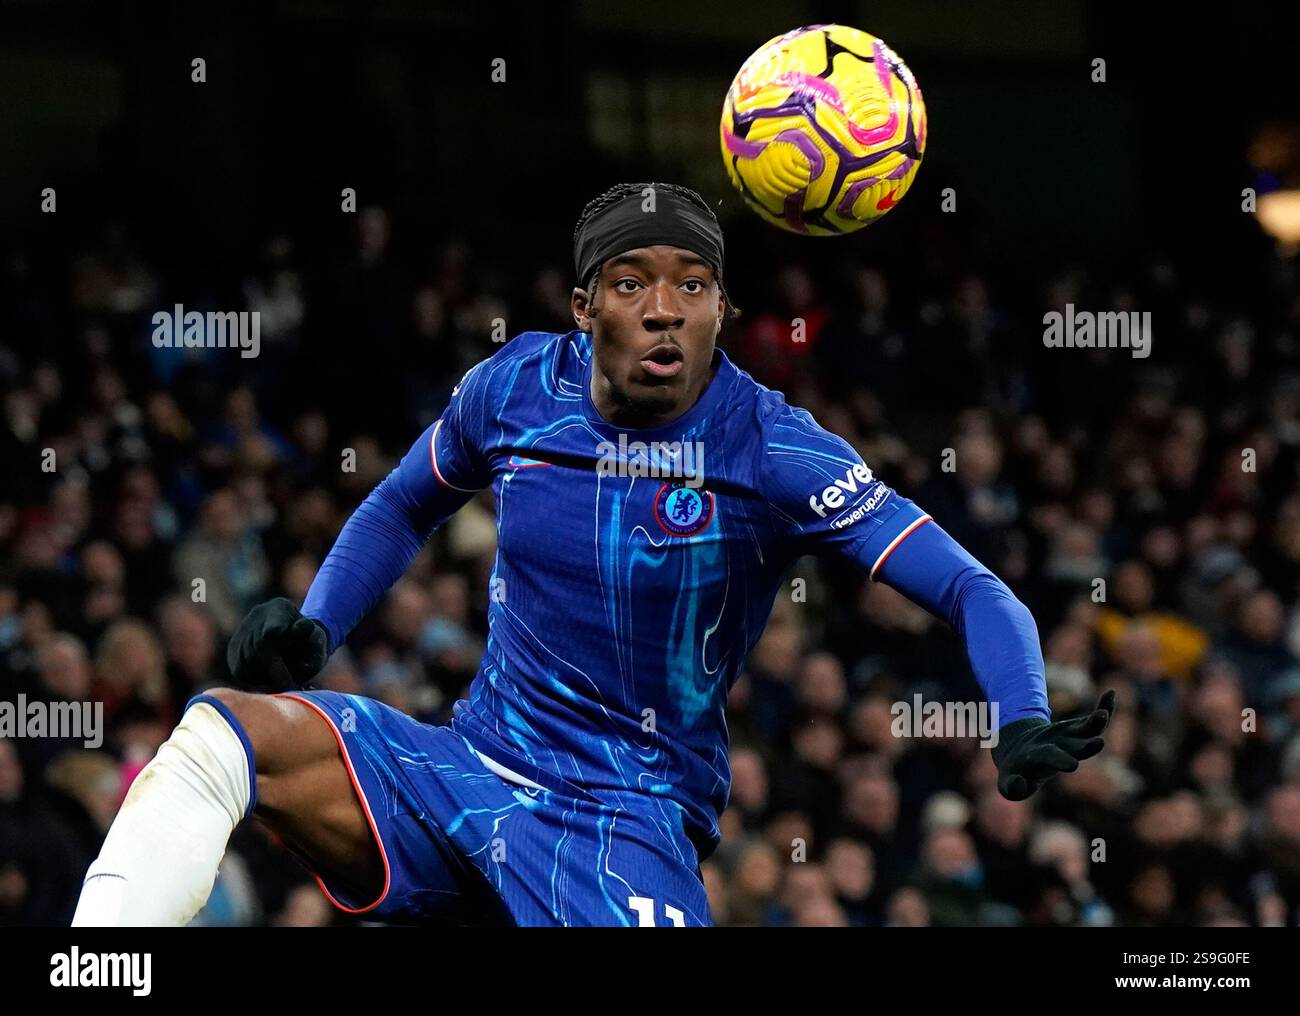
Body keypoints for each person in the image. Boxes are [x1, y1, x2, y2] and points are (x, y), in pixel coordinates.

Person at [72, 182, 1114, 927]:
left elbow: (973, 587)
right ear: (583, 306)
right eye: (631, 281)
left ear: (722, 310)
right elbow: (402, 504)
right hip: (464, 768)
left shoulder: (773, 448)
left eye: (693, 284)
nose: (664, 306)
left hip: (624, 817)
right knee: (220, 734)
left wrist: (1017, 708)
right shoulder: (516, 389)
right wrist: (316, 622)